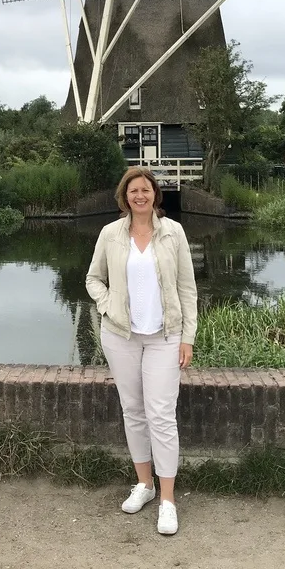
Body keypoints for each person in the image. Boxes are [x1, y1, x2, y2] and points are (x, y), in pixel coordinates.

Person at [85, 167, 197, 536]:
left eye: (146, 190)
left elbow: (187, 288)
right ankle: (144, 485)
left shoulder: (173, 233)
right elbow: (93, 278)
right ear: (125, 196)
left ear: (155, 195)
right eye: (133, 190)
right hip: (121, 335)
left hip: (165, 335)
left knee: (161, 414)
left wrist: (188, 337)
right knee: (133, 410)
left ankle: (168, 500)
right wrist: (108, 305)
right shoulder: (110, 234)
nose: (140, 196)